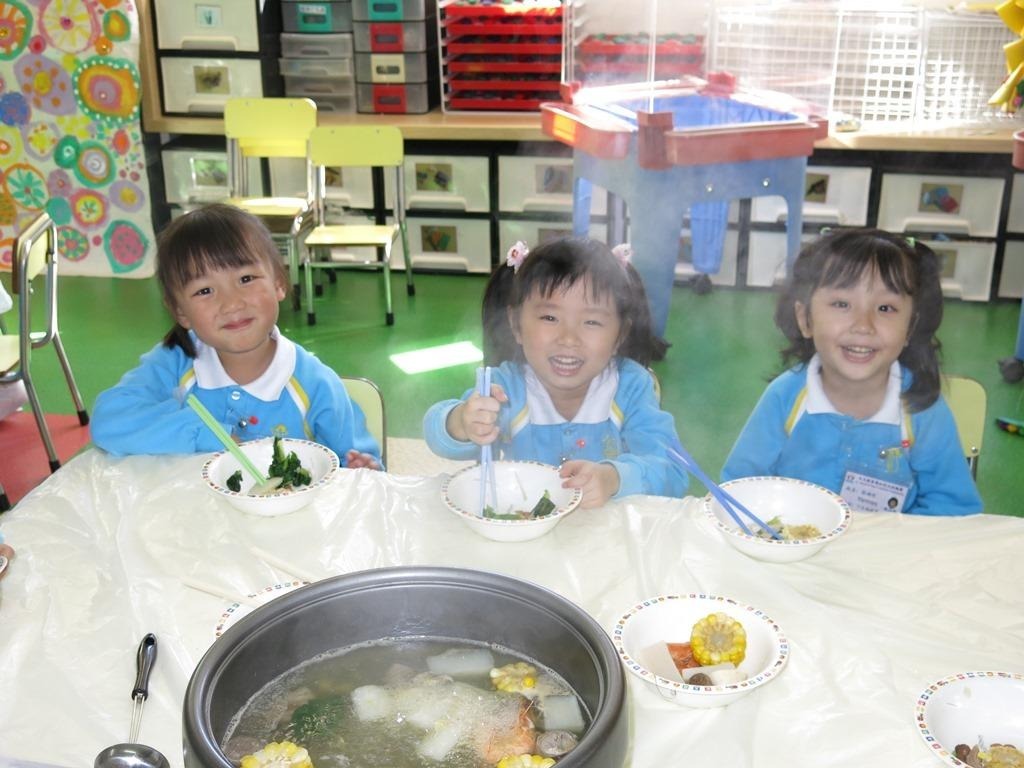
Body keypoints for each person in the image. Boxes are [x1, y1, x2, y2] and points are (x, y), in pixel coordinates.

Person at [90, 204, 381, 468]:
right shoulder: (174, 363)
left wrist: (362, 469)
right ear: (180, 311)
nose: (231, 304)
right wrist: (205, 433)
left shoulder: (316, 385)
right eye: (205, 290)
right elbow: (108, 421)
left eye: (246, 279)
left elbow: (358, 469)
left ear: (279, 284)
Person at [721, 227, 981, 515]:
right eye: (842, 304)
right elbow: (739, 489)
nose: (863, 325)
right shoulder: (785, 398)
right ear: (805, 319)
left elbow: (954, 508)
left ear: (910, 327)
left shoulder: (920, 410)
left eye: (885, 308)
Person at [423, 237, 688, 508]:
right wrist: (461, 422)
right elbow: (437, 433)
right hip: (525, 526)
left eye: (592, 321)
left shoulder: (631, 386)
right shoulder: (506, 387)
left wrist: (614, 479)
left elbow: (673, 472)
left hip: (609, 532)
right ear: (516, 324)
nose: (568, 338)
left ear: (620, 334)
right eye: (549, 318)